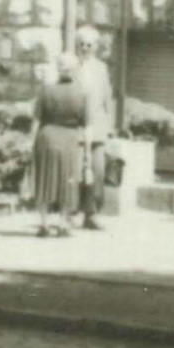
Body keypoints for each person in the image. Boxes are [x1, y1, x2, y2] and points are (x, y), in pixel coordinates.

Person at [31, 54, 86, 237]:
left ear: (58, 68)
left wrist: (31, 144)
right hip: (70, 140)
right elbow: (86, 124)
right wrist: (87, 153)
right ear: (74, 69)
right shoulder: (81, 92)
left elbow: (36, 121)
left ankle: (44, 225)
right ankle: (63, 225)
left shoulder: (46, 91)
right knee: (67, 181)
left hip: (46, 138)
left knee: (45, 180)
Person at [74, 25, 114, 231]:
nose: (85, 48)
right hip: (77, 128)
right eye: (81, 44)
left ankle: (93, 212)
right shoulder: (71, 67)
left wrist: (111, 126)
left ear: (96, 47)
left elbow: (107, 98)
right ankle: (77, 211)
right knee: (78, 171)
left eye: (89, 44)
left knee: (97, 171)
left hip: (97, 128)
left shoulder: (101, 68)